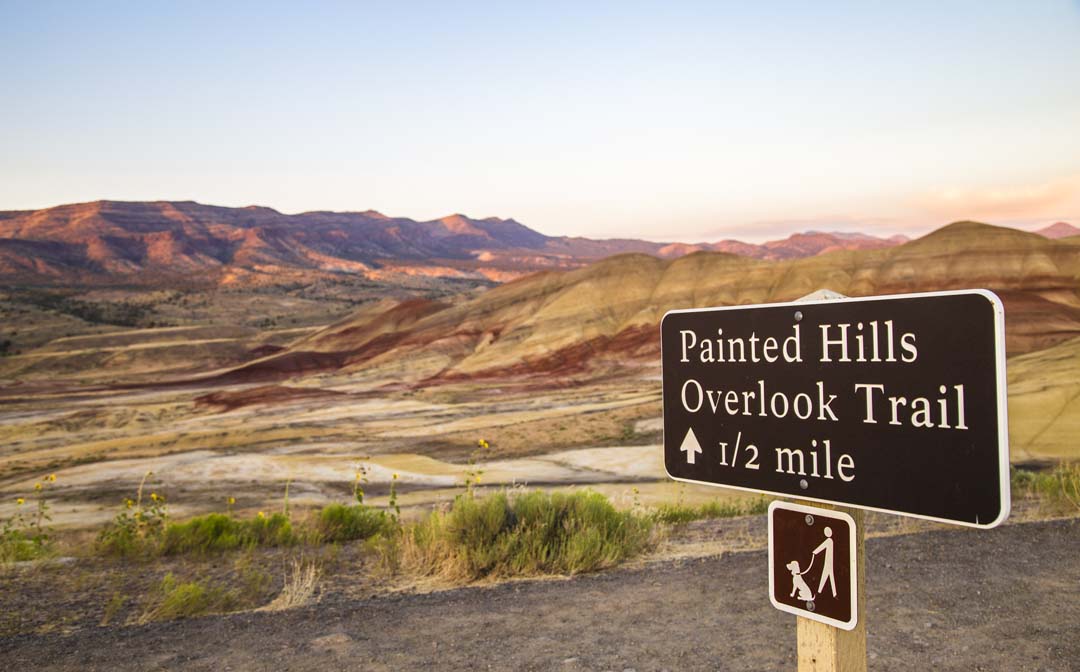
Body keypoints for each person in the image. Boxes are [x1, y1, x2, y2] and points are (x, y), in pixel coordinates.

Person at [812, 526, 836, 598]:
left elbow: (822, 546)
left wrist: (815, 552)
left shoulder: (829, 541)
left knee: (828, 577)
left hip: (828, 562)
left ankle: (822, 592)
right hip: (828, 562)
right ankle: (833, 593)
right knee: (828, 577)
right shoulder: (830, 541)